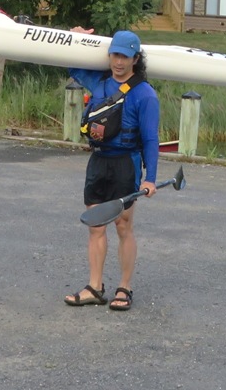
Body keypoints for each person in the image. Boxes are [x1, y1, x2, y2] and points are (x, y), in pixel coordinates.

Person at [64, 28, 160, 311]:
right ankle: (95, 287)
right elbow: (70, 64)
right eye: (115, 55)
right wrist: (76, 36)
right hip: (99, 161)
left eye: (125, 57)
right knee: (95, 225)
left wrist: (151, 178)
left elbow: (151, 139)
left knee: (123, 225)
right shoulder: (99, 83)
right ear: (109, 56)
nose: (119, 62)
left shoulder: (145, 95)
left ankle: (125, 287)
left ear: (135, 59)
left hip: (125, 164)